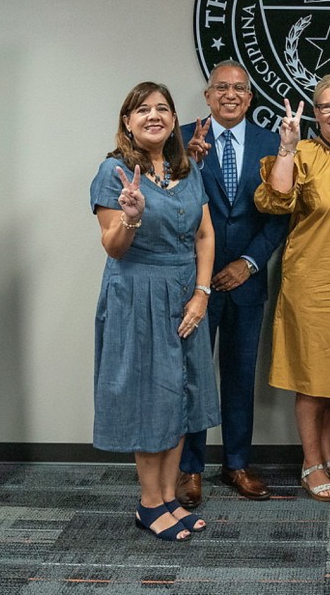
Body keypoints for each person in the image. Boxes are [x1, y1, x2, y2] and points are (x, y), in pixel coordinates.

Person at [90, 82, 219, 541]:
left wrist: (203, 292)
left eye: (162, 108)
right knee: (149, 399)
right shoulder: (114, 172)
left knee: (180, 397)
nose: (154, 115)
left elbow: (204, 235)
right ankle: (149, 505)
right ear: (127, 121)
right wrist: (132, 216)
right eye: (142, 109)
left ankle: (168, 497)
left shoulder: (187, 169)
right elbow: (114, 248)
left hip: (186, 291)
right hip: (137, 295)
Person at [254, 74, 330, 502]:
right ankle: (310, 462)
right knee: (312, 379)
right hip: (310, 283)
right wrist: (286, 148)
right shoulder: (301, 153)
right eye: (326, 107)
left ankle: (329, 456)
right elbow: (275, 200)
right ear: (315, 112)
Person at [177, 60, 288, 509]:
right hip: (190, 284)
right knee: (194, 378)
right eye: (221, 87)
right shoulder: (180, 139)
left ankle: (237, 463)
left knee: (240, 377)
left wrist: (249, 262)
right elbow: (165, 198)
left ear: (250, 97)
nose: (230, 94)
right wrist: (187, 162)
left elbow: (281, 213)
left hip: (245, 282)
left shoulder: (271, 144)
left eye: (239, 88)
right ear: (207, 95)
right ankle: (189, 469)